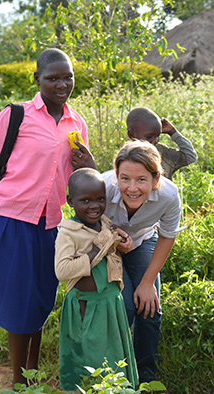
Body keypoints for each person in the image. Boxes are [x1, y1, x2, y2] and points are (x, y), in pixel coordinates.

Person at [0, 48, 96, 387]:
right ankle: (19, 381)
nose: (61, 84)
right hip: (11, 219)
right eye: (52, 78)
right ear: (37, 79)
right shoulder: (16, 116)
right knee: (20, 300)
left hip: (52, 224)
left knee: (41, 296)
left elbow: (79, 179)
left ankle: (32, 371)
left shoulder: (76, 122)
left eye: (67, 76)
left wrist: (91, 163)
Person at [102, 140, 182, 383]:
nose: (132, 188)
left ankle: (145, 375)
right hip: (104, 246)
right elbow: (84, 224)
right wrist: (112, 237)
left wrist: (148, 283)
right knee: (123, 306)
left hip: (143, 240)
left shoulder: (168, 195)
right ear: (116, 175)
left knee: (149, 306)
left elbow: (168, 235)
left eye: (142, 180)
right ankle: (112, 375)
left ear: (156, 179)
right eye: (125, 178)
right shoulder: (102, 188)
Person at [55, 168, 139, 391]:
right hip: (86, 305)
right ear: (70, 201)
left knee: (114, 355)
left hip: (112, 302)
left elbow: (114, 245)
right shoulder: (68, 232)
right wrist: (93, 253)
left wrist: (123, 242)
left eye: (100, 199)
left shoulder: (104, 222)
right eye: (85, 200)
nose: (94, 205)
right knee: (90, 357)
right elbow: (62, 271)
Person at [126, 106, 197, 180]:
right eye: (149, 137)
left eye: (157, 136)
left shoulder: (161, 152)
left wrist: (173, 132)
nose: (155, 141)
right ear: (131, 134)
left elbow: (190, 156)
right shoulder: (126, 156)